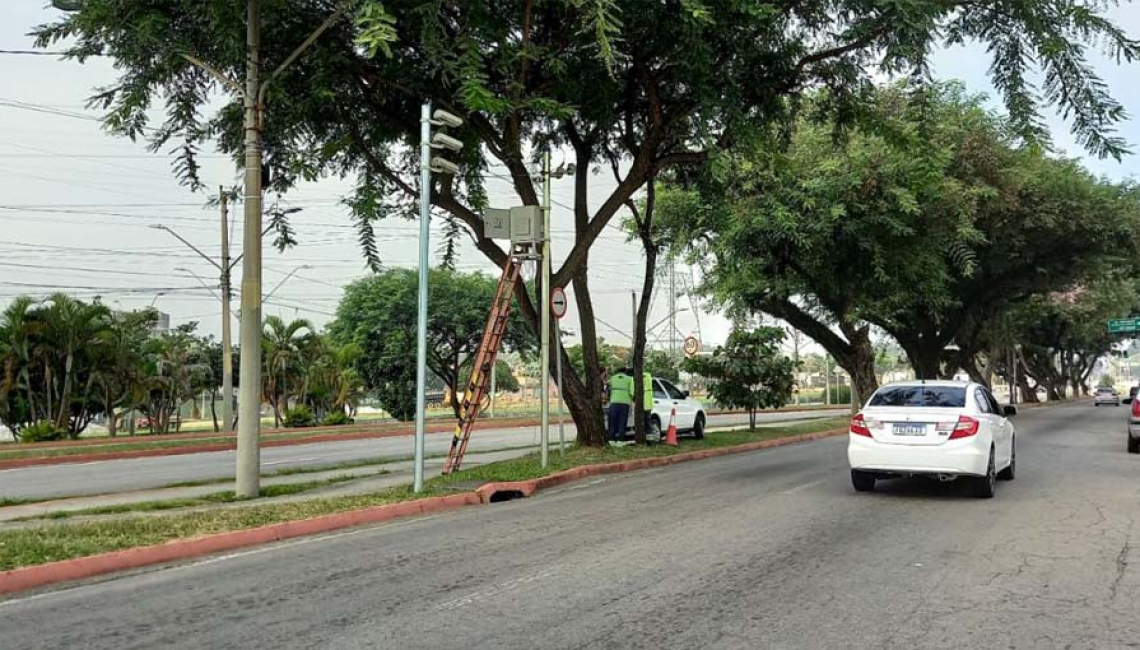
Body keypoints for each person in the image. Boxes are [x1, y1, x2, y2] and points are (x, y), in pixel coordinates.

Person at [607, 367, 633, 442]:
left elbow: (608, 389)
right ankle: (620, 441)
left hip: (614, 402)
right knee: (622, 422)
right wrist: (630, 399)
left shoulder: (612, 378)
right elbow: (632, 392)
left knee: (612, 421)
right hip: (625, 403)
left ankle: (611, 440)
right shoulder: (629, 379)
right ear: (625, 371)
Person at [642, 370, 655, 441]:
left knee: (642, 423)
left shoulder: (635, 378)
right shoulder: (648, 375)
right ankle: (649, 440)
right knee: (648, 422)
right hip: (648, 403)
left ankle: (644, 438)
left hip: (641, 404)